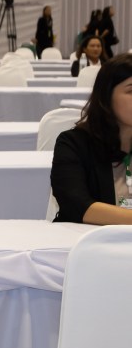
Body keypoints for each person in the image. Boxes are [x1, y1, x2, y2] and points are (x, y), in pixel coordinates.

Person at [51, 53, 132, 224]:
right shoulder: (73, 144)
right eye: (131, 90)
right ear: (106, 95)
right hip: (88, 245)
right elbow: (77, 205)